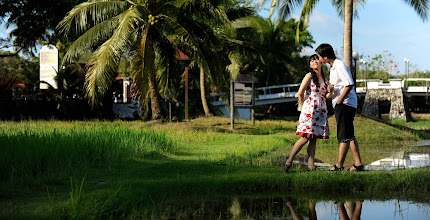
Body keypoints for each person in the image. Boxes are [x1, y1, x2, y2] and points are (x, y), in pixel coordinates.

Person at [315, 43, 364, 172]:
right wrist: (331, 90)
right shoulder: (333, 68)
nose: (319, 59)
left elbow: (349, 85)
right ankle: (358, 164)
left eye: (319, 57)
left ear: (325, 57)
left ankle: (339, 165)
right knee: (349, 134)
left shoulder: (339, 65)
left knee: (343, 136)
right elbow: (340, 86)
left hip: (345, 104)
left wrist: (339, 102)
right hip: (343, 103)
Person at [282, 54, 330, 173]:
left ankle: (311, 166)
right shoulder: (309, 76)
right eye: (312, 61)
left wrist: (331, 91)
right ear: (309, 65)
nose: (314, 62)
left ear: (321, 62)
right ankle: (289, 161)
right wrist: (303, 106)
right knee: (305, 137)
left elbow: (326, 96)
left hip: (321, 110)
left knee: (313, 139)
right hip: (310, 110)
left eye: (316, 60)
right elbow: (300, 92)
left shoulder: (325, 78)